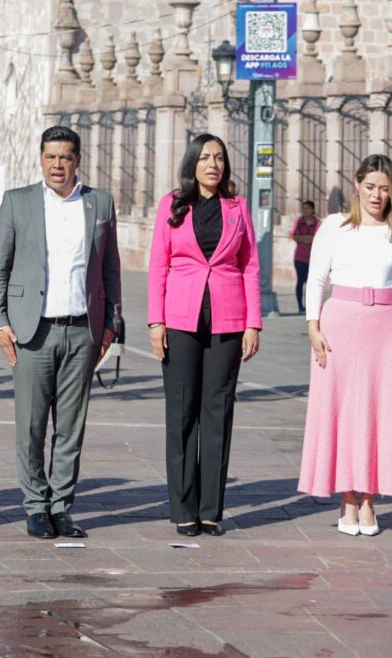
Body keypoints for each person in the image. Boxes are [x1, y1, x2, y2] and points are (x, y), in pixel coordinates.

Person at [0, 125, 122, 540]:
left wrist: (113, 323)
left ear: (77, 160)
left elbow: (111, 267)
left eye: (65, 157)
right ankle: (34, 506)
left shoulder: (99, 203)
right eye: (50, 157)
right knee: (30, 424)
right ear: (40, 159)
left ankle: (62, 506)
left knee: (71, 425)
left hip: (82, 329)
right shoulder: (17, 203)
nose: (57, 165)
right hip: (33, 331)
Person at [298, 154, 392, 536]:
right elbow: (316, 280)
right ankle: (346, 499)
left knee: (379, 413)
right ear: (357, 186)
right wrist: (313, 326)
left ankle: (369, 499)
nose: (377, 195)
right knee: (342, 412)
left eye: (384, 188)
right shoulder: (334, 226)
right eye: (370, 187)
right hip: (339, 324)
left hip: (387, 328)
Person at [148, 133, 261, 538]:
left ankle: (211, 510)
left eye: (219, 158)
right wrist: (155, 322)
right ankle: (183, 508)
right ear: (192, 163)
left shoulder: (238, 208)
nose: (213, 164)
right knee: (181, 413)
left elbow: (249, 266)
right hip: (180, 320)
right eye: (205, 157)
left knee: (218, 413)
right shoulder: (172, 206)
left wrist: (253, 323)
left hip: (228, 321)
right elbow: (158, 265)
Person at [290, 200, 320, 314]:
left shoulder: (318, 223)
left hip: (314, 258)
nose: (305, 210)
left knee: (311, 282)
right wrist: (307, 238)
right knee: (301, 280)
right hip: (300, 257)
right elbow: (293, 235)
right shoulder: (299, 221)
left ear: (313, 210)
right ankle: (300, 306)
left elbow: (318, 238)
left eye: (307, 208)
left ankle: (311, 306)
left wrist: (303, 238)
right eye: (304, 208)